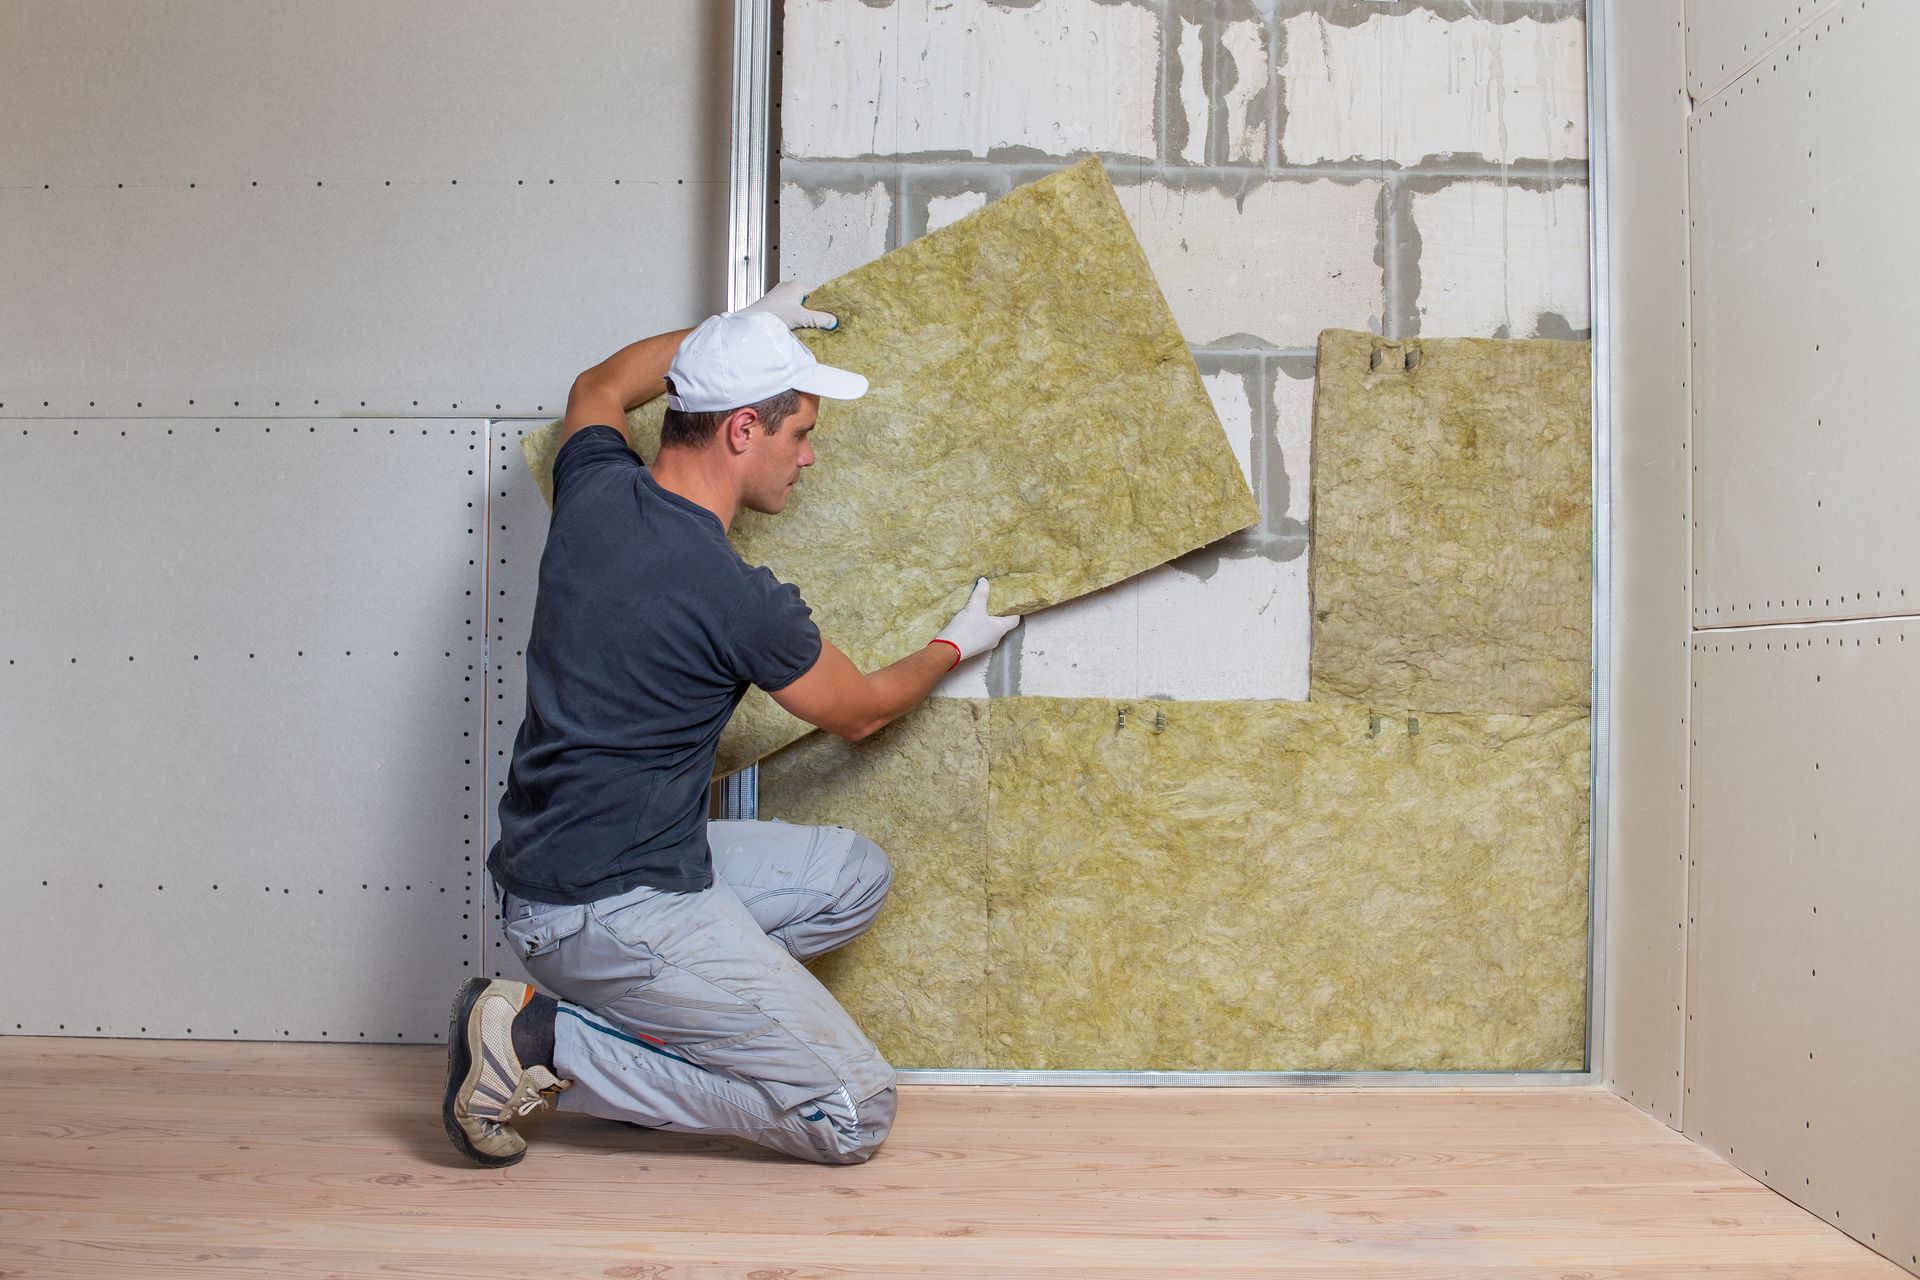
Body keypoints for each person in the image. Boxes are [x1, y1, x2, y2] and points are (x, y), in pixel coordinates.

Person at [441, 282, 1020, 1168]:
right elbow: (861, 710)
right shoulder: (734, 597)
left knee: (852, 877)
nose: (809, 456)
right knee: (853, 1113)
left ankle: (655, 1026)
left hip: (565, 872)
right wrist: (954, 646)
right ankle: (543, 1045)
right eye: (801, 433)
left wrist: (737, 330)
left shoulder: (594, 488)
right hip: (604, 912)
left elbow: (598, 385)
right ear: (743, 429)